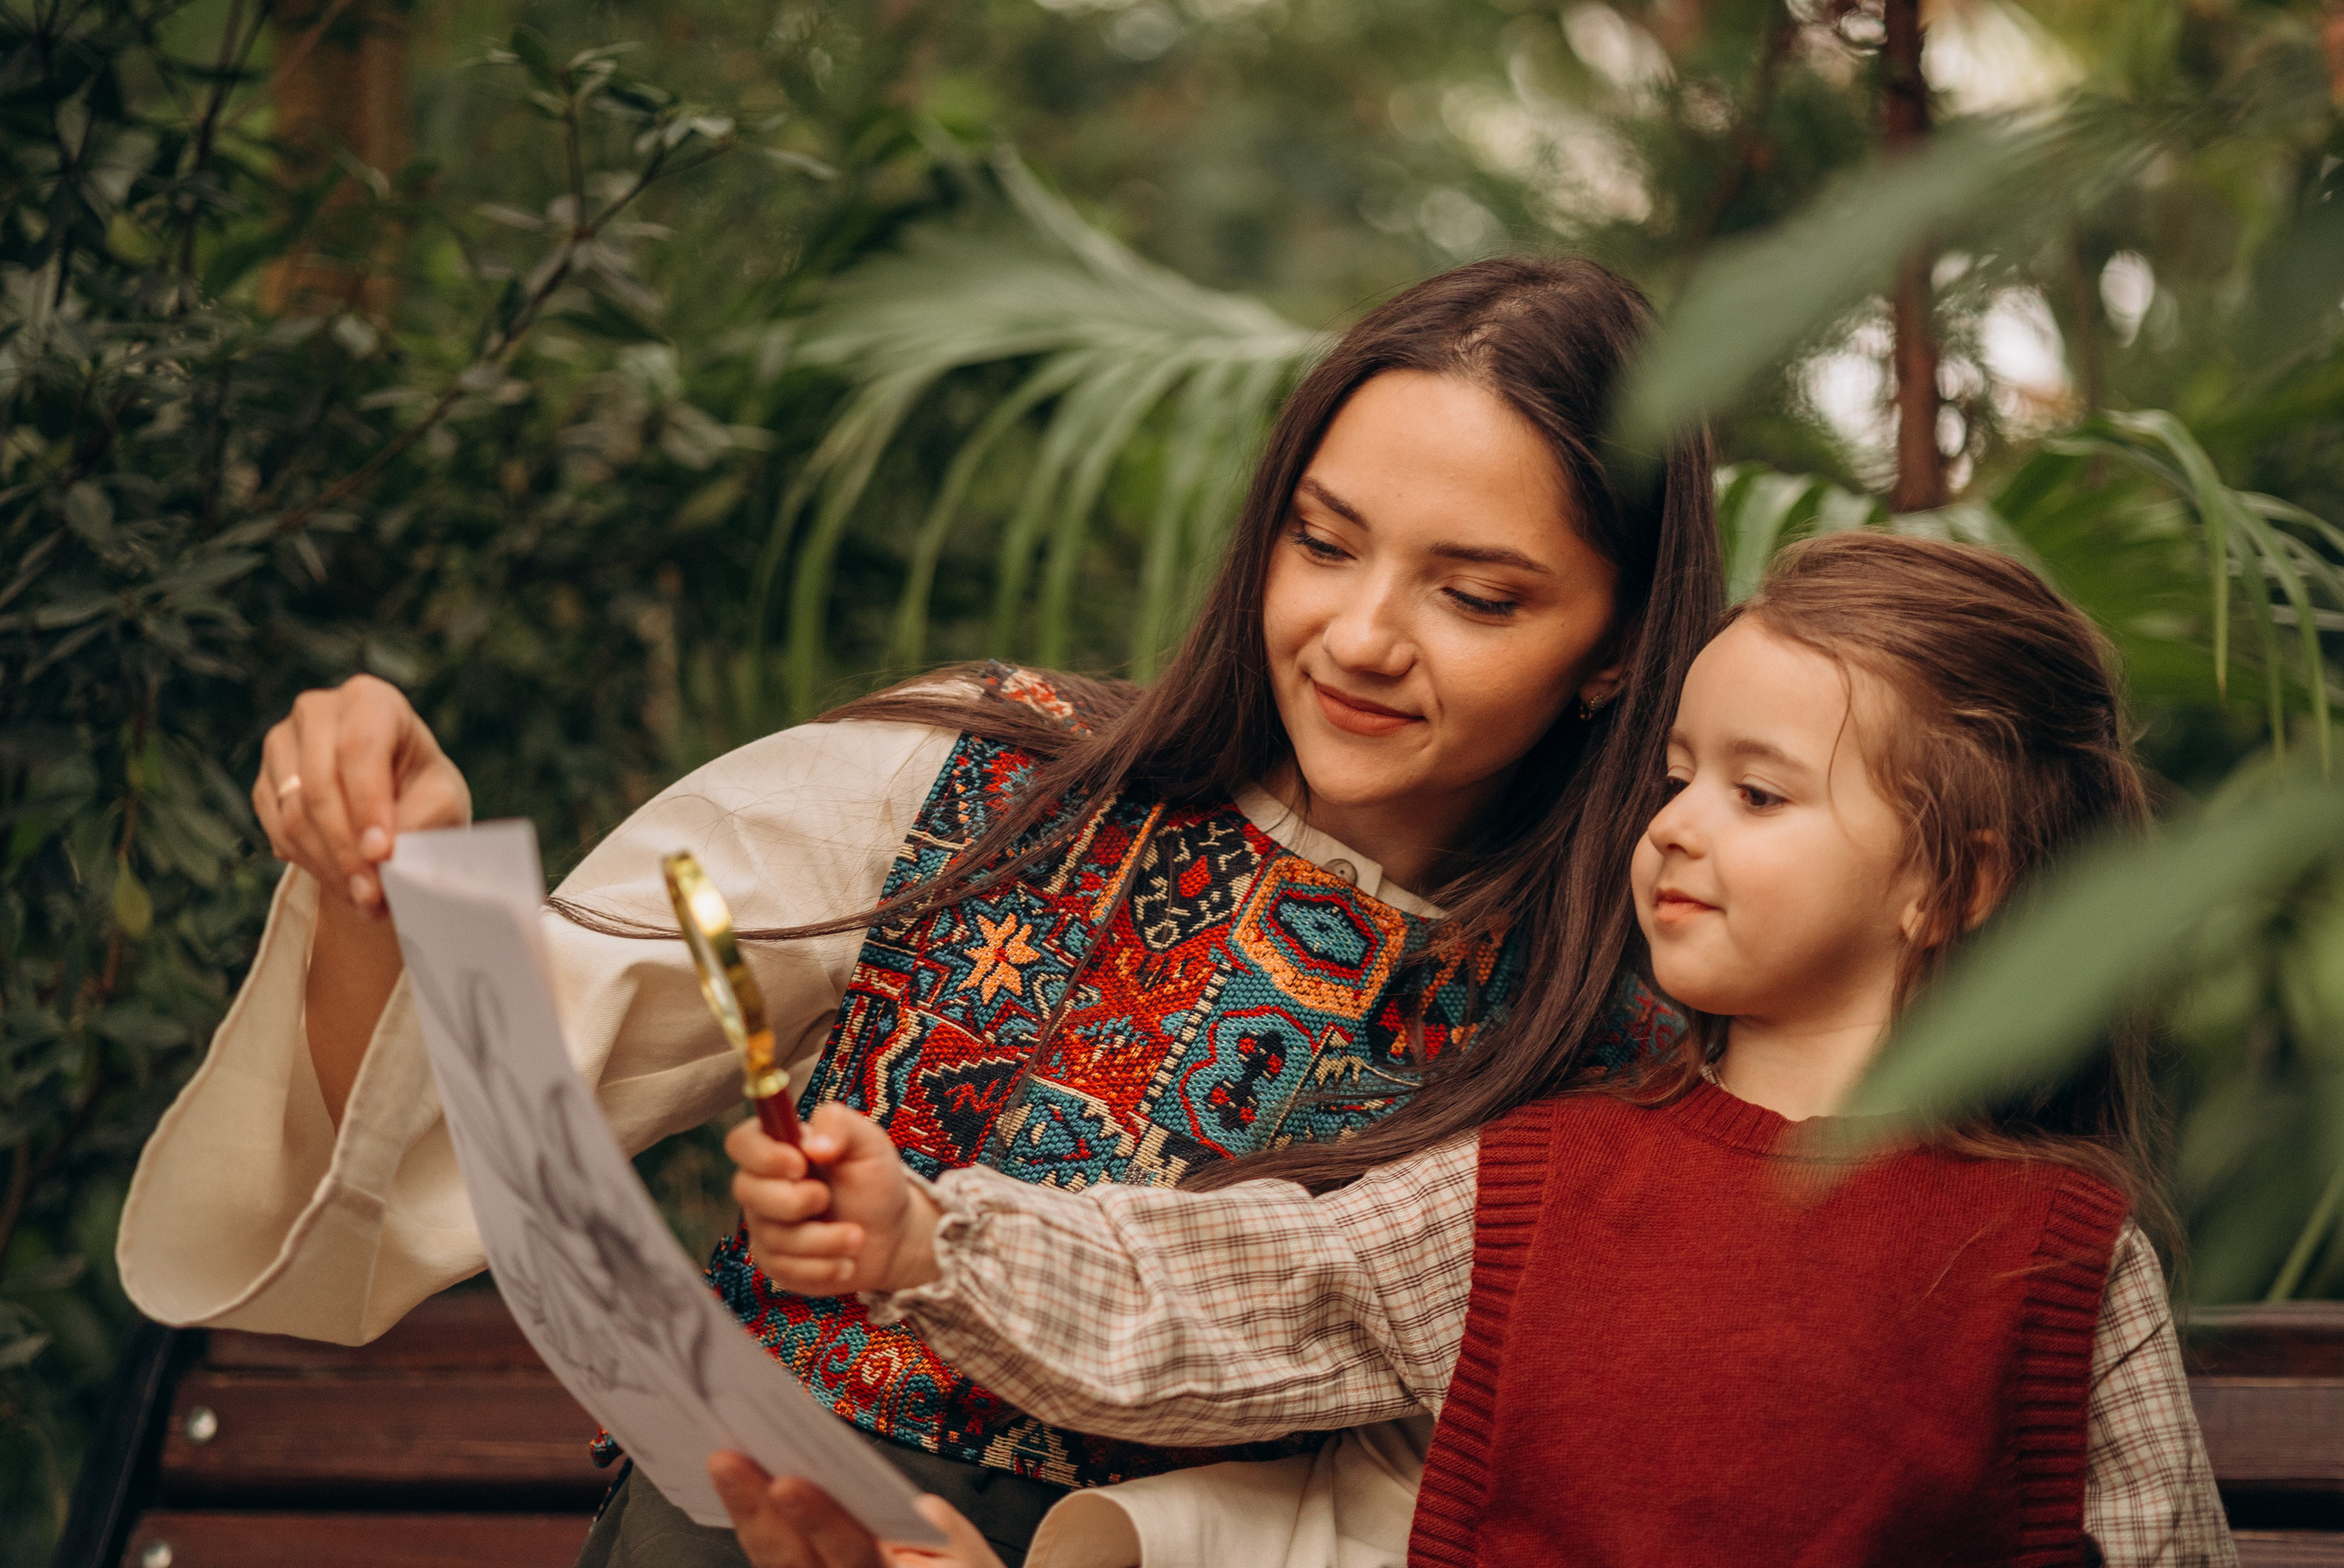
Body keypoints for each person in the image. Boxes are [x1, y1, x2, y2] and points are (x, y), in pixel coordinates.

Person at [115, 255, 1723, 1567]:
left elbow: (1438, 1507)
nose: (1363, 635)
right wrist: (387, 891)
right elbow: (470, 1113)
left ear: (1613, 651)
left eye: (1476, 594)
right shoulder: (984, 780)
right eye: (1324, 542)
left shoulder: (1607, 1046)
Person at [733, 534, 2236, 1567]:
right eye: (1674, 774)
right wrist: (931, 1234)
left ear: (1952, 882)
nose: (1675, 823)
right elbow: (1237, 1294)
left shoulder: (2063, 1262)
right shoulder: (1542, 1188)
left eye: (1760, 796)